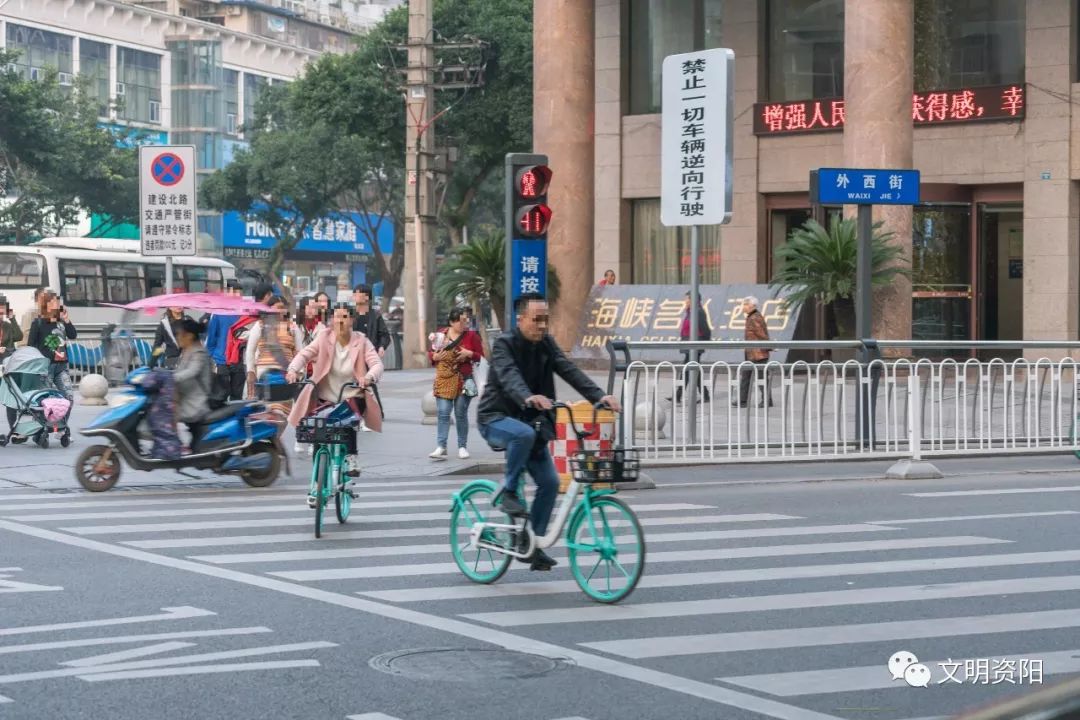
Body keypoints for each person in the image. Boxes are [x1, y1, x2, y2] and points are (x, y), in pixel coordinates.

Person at [477, 293, 620, 570]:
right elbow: (509, 377)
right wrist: (528, 396)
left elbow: (569, 370)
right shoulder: (505, 345)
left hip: (532, 424)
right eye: (536, 320)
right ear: (520, 320)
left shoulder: (546, 345)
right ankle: (508, 491)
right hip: (496, 418)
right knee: (522, 434)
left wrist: (600, 397)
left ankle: (531, 543)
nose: (542, 326)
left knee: (551, 483)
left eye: (545, 320)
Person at [286, 304, 383, 490]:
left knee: (347, 421)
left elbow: (376, 363)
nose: (340, 321)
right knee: (318, 436)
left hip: (352, 393)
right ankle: (316, 484)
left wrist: (369, 377)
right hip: (325, 395)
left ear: (352, 320)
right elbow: (304, 355)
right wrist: (292, 370)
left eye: (345, 317)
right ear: (331, 320)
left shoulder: (361, 341)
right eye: (336, 317)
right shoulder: (324, 337)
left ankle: (352, 456)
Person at [428, 307, 484, 460]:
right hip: (445, 378)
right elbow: (431, 353)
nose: (463, 324)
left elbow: (481, 356)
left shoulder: (472, 336)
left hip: (464, 379)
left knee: (460, 413)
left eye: (465, 320)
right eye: (460, 321)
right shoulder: (441, 334)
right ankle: (441, 446)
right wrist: (435, 356)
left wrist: (469, 354)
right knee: (443, 412)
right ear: (452, 322)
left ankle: (462, 446)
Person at [27, 291, 76, 414]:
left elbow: (73, 335)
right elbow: (31, 345)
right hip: (46, 367)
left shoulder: (61, 322)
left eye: (58, 301)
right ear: (47, 305)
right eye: (54, 301)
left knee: (69, 398)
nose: (57, 304)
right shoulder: (38, 323)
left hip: (62, 366)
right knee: (47, 401)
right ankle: (45, 427)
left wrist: (67, 320)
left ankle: (62, 427)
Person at [172, 317, 213, 447]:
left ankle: (172, 444)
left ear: (189, 336)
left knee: (166, 411)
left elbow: (192, 371)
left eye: (179, 335)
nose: (177, 338)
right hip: (188, 396)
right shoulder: (187, 351)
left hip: (196, 401)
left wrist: (171, 378)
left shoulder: (198, 352)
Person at [205, 279, 245, 405]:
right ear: (227, 293)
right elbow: (211, 338)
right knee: (220, 395)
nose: (238, 295)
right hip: (221, 360)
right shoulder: (218, 313)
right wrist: (214, 357)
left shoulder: (244, 313)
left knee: (237, 396)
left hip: (238, 360)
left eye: (239, 292)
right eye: (235, 292)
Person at [736, 296, 774, 408]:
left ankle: (767, 401)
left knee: (761, 378)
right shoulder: (751, 316)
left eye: (745, 304)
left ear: (752, 306)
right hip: (751, 352)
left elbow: (762, 334)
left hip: (758, 353)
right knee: (746, 377)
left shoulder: (754, 318)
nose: (743, 306)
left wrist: (770, 346)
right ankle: (743, 401)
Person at [676, 291, 711, 403]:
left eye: (687, 299)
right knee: (693, 371)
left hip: (695, 346)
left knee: (689, 370)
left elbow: (705, 330)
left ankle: (678, 395)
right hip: (689, 346)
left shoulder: (698, 312)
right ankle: (704, 395)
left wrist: (702, 343)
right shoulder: (690, 312)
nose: (685, 301)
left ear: (693, 300)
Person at [0, 295, 24, 436]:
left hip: (7, 366)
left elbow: (19, 336)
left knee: (11, 398)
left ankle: (14, 430)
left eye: (3, 309)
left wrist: (12, 318)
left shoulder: (7, 326)